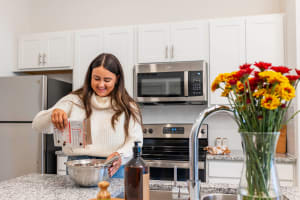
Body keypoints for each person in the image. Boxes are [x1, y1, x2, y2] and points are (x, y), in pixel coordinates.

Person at [32, 53, 143, 178]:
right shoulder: (73, 100)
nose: (101, 85)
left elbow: (135, 141)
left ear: (117, 79)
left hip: (114, 168)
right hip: (79, 166)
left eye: (107, 80)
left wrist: (120, 155)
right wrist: (53, 114)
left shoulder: (128, 106)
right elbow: (37, 125)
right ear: (90, 76)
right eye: (96, 78)